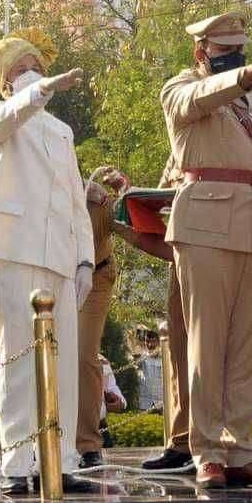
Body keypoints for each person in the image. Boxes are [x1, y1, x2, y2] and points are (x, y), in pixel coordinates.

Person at [160, 11, 252, 489]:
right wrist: (249, 74)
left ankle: (240, 449)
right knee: (207, 344)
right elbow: (197, 100)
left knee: (248, 348)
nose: (235, 57)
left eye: (240, 50)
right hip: (205, 224)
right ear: (201, 51)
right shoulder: (181, 87)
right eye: (225, 51)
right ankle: (207, 450)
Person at [0, 28, 95, 496]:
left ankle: (59, 462)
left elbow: (76, 200)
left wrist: (85, 260)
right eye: (21, 69)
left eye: (36, 67)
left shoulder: (62, 131)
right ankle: (18, 464)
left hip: (60, 256)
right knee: (19, 358)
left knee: (63, 366)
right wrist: (38, 91)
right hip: (14, 250)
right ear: (5, 81)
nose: (32, 74)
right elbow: (6, 119)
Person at [78, 167, 173, 469]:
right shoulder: (33, 195)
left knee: (83, 354)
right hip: (50, 280)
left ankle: (87, 445)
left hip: (96, 275)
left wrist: (124, 196)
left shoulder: (96, 200)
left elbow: (142, 235)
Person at [141, 156, 196, 475]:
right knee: (180, 356)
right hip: (183, 260)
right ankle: (182, 442)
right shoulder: (178, 154)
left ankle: (222, 445)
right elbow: (159, 201)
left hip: (226, 256)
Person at [136, 332, 165, 413]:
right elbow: (136, 363)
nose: (150, 344)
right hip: (145, 402)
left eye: (153, 341)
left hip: (161, 400)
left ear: (158, 342)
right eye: (147, 341)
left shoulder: (164, 357)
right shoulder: (142, 357)